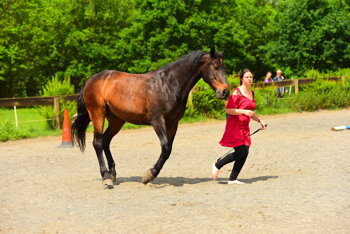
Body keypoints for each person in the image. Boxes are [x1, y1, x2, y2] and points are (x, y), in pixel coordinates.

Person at [212, 69, 267, 184]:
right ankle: (218, 164)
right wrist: (243, 111)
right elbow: (228, 110)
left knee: (245, 152)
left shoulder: (251, 93)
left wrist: (260, 120)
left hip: (245, 125)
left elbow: (250, 112)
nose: (249, 79)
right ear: (242, 78)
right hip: (235, 124)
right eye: (247, 77)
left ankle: (232, 179)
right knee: (241, 151)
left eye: (251, 77)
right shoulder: (237, 92)